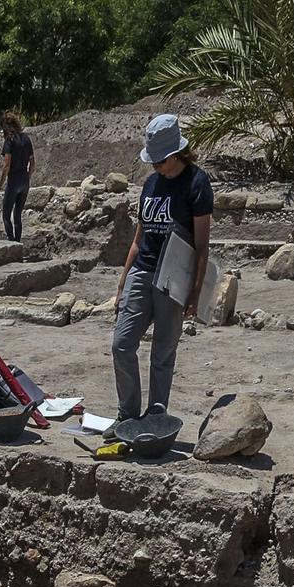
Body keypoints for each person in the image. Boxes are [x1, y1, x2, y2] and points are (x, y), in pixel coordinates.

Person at [111, 115, 214, 427]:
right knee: (121, 344)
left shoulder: (196, 183)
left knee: (162, 353)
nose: (156, 165)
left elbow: (201, 245)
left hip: (173, 278)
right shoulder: (151, 184)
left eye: (161, 160)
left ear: (176, 154)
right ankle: (128, 416)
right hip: (143, 270)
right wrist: (122, 282)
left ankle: (156, 416)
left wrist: (195, 294)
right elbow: (139, 238)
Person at [0, 112, 34, 242]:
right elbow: (32, 163)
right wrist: (27, 177)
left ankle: (12, 244)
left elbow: (6, 166)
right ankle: (18, 242)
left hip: (13, 181)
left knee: (6, 215)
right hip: (24, 180)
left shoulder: (9, 141)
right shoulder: (27, 139)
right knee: (17, 215)